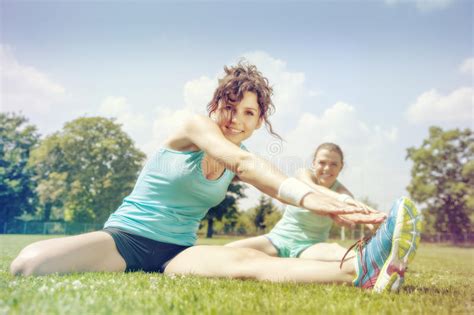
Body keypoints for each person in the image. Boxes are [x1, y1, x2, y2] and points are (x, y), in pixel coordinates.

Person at [10, 62, 417, 293]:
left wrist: (341, 204)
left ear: (258, 123)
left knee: (250, 262)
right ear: (216, 104)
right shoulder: (192, 128)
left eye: (249, 113)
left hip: (178, 253)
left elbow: (265, 175)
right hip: (126, 240)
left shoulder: (243, 152)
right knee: (29, 264)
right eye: (230, 105)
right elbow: (244, 165)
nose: (236, 120)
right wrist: (311, 198)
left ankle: (364, 268)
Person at [226, 142, 372, 261]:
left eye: (334, 164)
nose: (327, 168)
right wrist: (342, 200)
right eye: (322, 162)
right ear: (313, 163)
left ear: (341, 167)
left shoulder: (342, 191)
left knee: (349, 258)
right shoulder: (303, 174)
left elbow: (349, 205)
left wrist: (370, 221)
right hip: (276, 240)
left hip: (311, 247)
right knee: (225, 252)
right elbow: (313, 188)